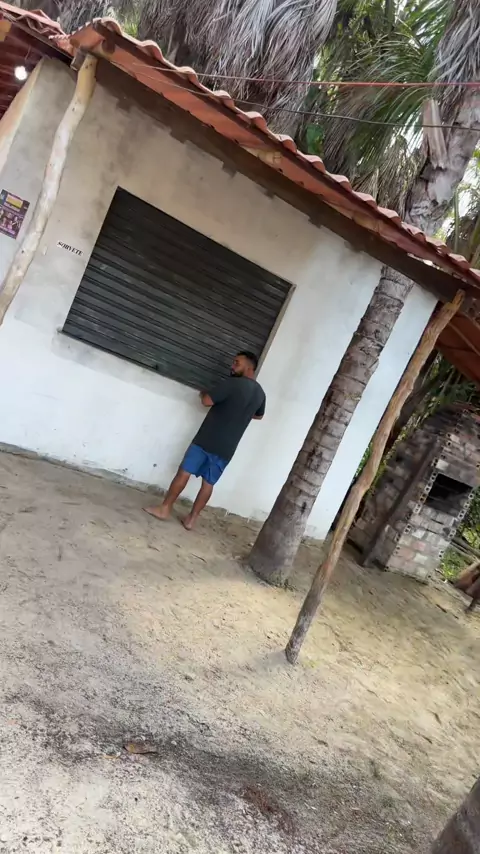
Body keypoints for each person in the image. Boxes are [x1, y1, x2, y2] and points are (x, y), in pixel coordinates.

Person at [145, 351, 266, 530]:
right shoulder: (260, 394)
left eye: (237, 363)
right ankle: (191, 520)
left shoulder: (232, 383)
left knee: (184, 472)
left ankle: (165, 508)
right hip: (227, 448)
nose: (232, 366)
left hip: (207, 438)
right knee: (208, 483)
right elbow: (259, 415)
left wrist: (203, 394)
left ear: (249, 367)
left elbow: (207, 401)